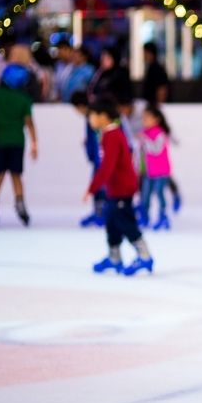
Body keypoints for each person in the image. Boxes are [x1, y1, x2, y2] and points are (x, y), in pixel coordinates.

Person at [84, 98, 153, 276]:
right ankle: (114, 257)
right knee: (111, 221)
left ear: (103, 117)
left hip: (122, 188)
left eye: (91, 116)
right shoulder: (107, 134)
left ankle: (144, 256)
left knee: (124, 221)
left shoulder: (113, 135)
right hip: (115, 189)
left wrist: (92, 188)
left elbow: (108, 166)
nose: (89, 120)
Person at [0, 64, 38, 227]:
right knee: (16, 175)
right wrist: (35, 143)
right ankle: (21, 207)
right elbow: (29, 123)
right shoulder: (23, 99)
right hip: (17, 141)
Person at [70, 90, 105, 227]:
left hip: (100, 159)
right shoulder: (90, 117)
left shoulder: (94, 116)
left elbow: (99, 140)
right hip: (96, 159)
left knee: (101, 186)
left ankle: (102, 213)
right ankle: (98, 212)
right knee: (96, 185)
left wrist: (98, 157)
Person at [138, 105, 173, 231]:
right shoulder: (143, 133)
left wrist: (145, 140)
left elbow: (155, 149)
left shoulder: (160, 133)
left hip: (161, 171)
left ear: (156, 119)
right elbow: (141, 154)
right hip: (148, 171)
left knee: (159, 192)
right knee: (145, 195)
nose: (144, 120)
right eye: (143, 118)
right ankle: (144, 217)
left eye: (147, 118)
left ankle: (163, 216)